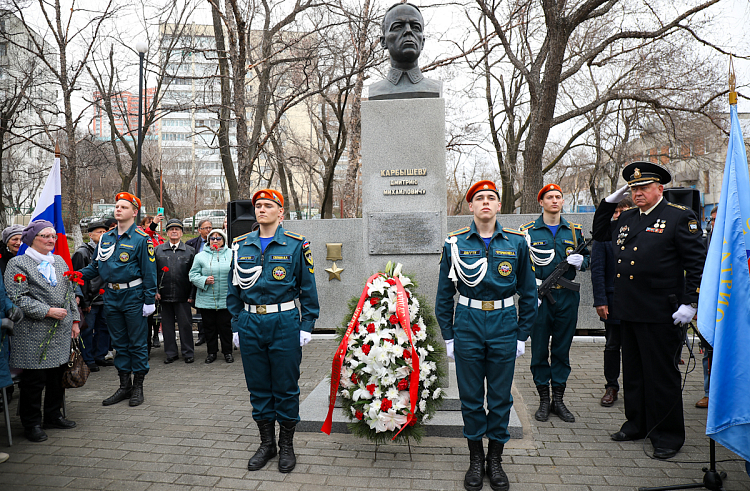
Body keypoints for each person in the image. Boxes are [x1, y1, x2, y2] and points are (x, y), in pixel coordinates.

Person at [592, 161, 706, 460]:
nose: (638, 193)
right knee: (633, 372)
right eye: (633, 188)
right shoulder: (628, 217)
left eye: (643, 188)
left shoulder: (679, 217)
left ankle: (667, 434)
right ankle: (637, 423)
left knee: (660, 374)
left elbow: (697, 263)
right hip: (628, 307)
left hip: (661, 311)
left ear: (660, 188)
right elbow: (601, 233)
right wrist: (608, 202)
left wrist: (691, 302)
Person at [435, 180, 537, 491]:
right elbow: (443, 296)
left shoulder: (518, 243)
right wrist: (449, 336)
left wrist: (522, 335)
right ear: (471, 206)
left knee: (499, 397)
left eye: (491, 198)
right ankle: (476, 459)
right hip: (468, 322)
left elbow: (529, 295)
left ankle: (496, 459)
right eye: (479, 198)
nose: (485, 203)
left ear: (498, 205)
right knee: (470, 397)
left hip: (504, 323)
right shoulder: (454, 243)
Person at [227, 188, 319, 474]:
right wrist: (236, 325)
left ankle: (287, 445)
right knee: (258, 386)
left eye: (268, 205)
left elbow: (308, 289)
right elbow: (233, 290)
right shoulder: (240, 245)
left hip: (284, 323)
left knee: (286, 386)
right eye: (258, 206)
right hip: (251, 322)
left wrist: (307, 325)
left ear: (281, 212)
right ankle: (267, 444)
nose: (261, 209)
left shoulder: (296, 244)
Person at [4, 220, 81, 442]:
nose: (51, 240)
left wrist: (75, 320)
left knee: (57, 376)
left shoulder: (59, 261)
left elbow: (69, 293)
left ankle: (53, 415)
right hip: (32, 332)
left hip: (62, 330)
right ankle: (31, 423)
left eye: (53, 236)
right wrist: (47, 311)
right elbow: (17, 298)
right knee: (34, 380)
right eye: (45, 236)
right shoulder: (18, 264)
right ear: (31, 239)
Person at [79, 192, 157, 408]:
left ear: (134, 212)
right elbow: (95, 266)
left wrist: (149, 300)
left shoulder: (142, 239)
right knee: (119, 344)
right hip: (111, 296)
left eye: (124, 206)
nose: (118, 209)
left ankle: (138, 387)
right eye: (117, 206)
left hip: (134, 296)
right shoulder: (106, 237)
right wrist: (76, 274)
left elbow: (150, 272)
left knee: (137, 343)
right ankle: (125, 386)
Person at [519, 184, 589, 423]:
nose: (555, 201)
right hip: (539, 299)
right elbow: (520, 265)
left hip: (567, 299)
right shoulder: (527, 232)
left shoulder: (573, 231)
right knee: (539, 349)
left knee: (561, 349)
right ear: (541, 202)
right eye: (549, 197)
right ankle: (543, 400)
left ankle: (559, 400)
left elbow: (589, 258)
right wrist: (531, 292)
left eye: (558, 197)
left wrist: (582, 262)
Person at [591, 197, 634, 407]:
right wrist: (600, 300)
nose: (619, 215)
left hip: (637, 302)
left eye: (623, 211)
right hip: (613, 300)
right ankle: (611, 386)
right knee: (612, 346)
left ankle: (635, 386)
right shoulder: (604, 236)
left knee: (634, 346)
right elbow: (597, 270)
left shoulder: (638, 233)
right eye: (616, 212)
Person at [368, 2, 442, 100]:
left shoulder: (434, 88)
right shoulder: (376, 90)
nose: (408, 31)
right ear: (383, 42)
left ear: (422, 42)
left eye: (415, 27)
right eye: (398, 26)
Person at [72, 220, 111, 372]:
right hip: (90, 299)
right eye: (99, 232)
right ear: (90, 235)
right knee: (88, 330)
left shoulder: (108, 250)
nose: (102, 235)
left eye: (105, 232)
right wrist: (84, 300)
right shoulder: (82, 253)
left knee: (104, 328)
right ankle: (87, 358)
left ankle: (99, 356)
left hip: (105, 297)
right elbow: (78, 279)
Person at [154, 219, 195, 364]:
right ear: (167, 232)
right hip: (164, 296)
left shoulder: (190, 251)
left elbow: (193, 275)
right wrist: (156, 291)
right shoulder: (158, 250)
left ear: (182, 232)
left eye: (177, 229)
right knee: (167, 326)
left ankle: (188, 352)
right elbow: (154, 273)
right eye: (171, 229)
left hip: (183, 295)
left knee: (185, 325)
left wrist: (191, 295)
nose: (174, 231)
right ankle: (171, 353)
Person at [189, 229, 233, 364]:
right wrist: (203, 280)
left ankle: (228, 352)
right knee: (209, 328)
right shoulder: (200, 256)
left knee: (225, 327)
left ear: (224, 240)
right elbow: (192, 275)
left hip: (226, 298)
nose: (215, 241)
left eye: (218, 238)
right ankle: (211, 352)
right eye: (212, 238)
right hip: (207, 298)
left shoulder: (232, 254)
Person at [696, 206, 717, 409]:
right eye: (711, 220)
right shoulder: (704, 242)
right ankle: (709, 393)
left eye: (718, 220)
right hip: (710, 305)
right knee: (708, 351)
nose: (714, 224)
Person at [139, 215, 164, 350]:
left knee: (158, 311)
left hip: (160, 275)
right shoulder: (143, 236)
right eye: (148, 223)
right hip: (148, 274)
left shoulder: (159, 239)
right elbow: (146, 234)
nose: (153, 225)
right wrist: (153, 224)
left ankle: (156, 334)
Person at [186, 219, 212, 346]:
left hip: (212, 280)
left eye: (210, 228)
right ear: (199, 230)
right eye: (206, 228)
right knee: (200, 309)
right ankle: (202, 336)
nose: (208, 230)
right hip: (196, 280)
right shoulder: (191, 244)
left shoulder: (217, 241)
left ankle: (211, 335)